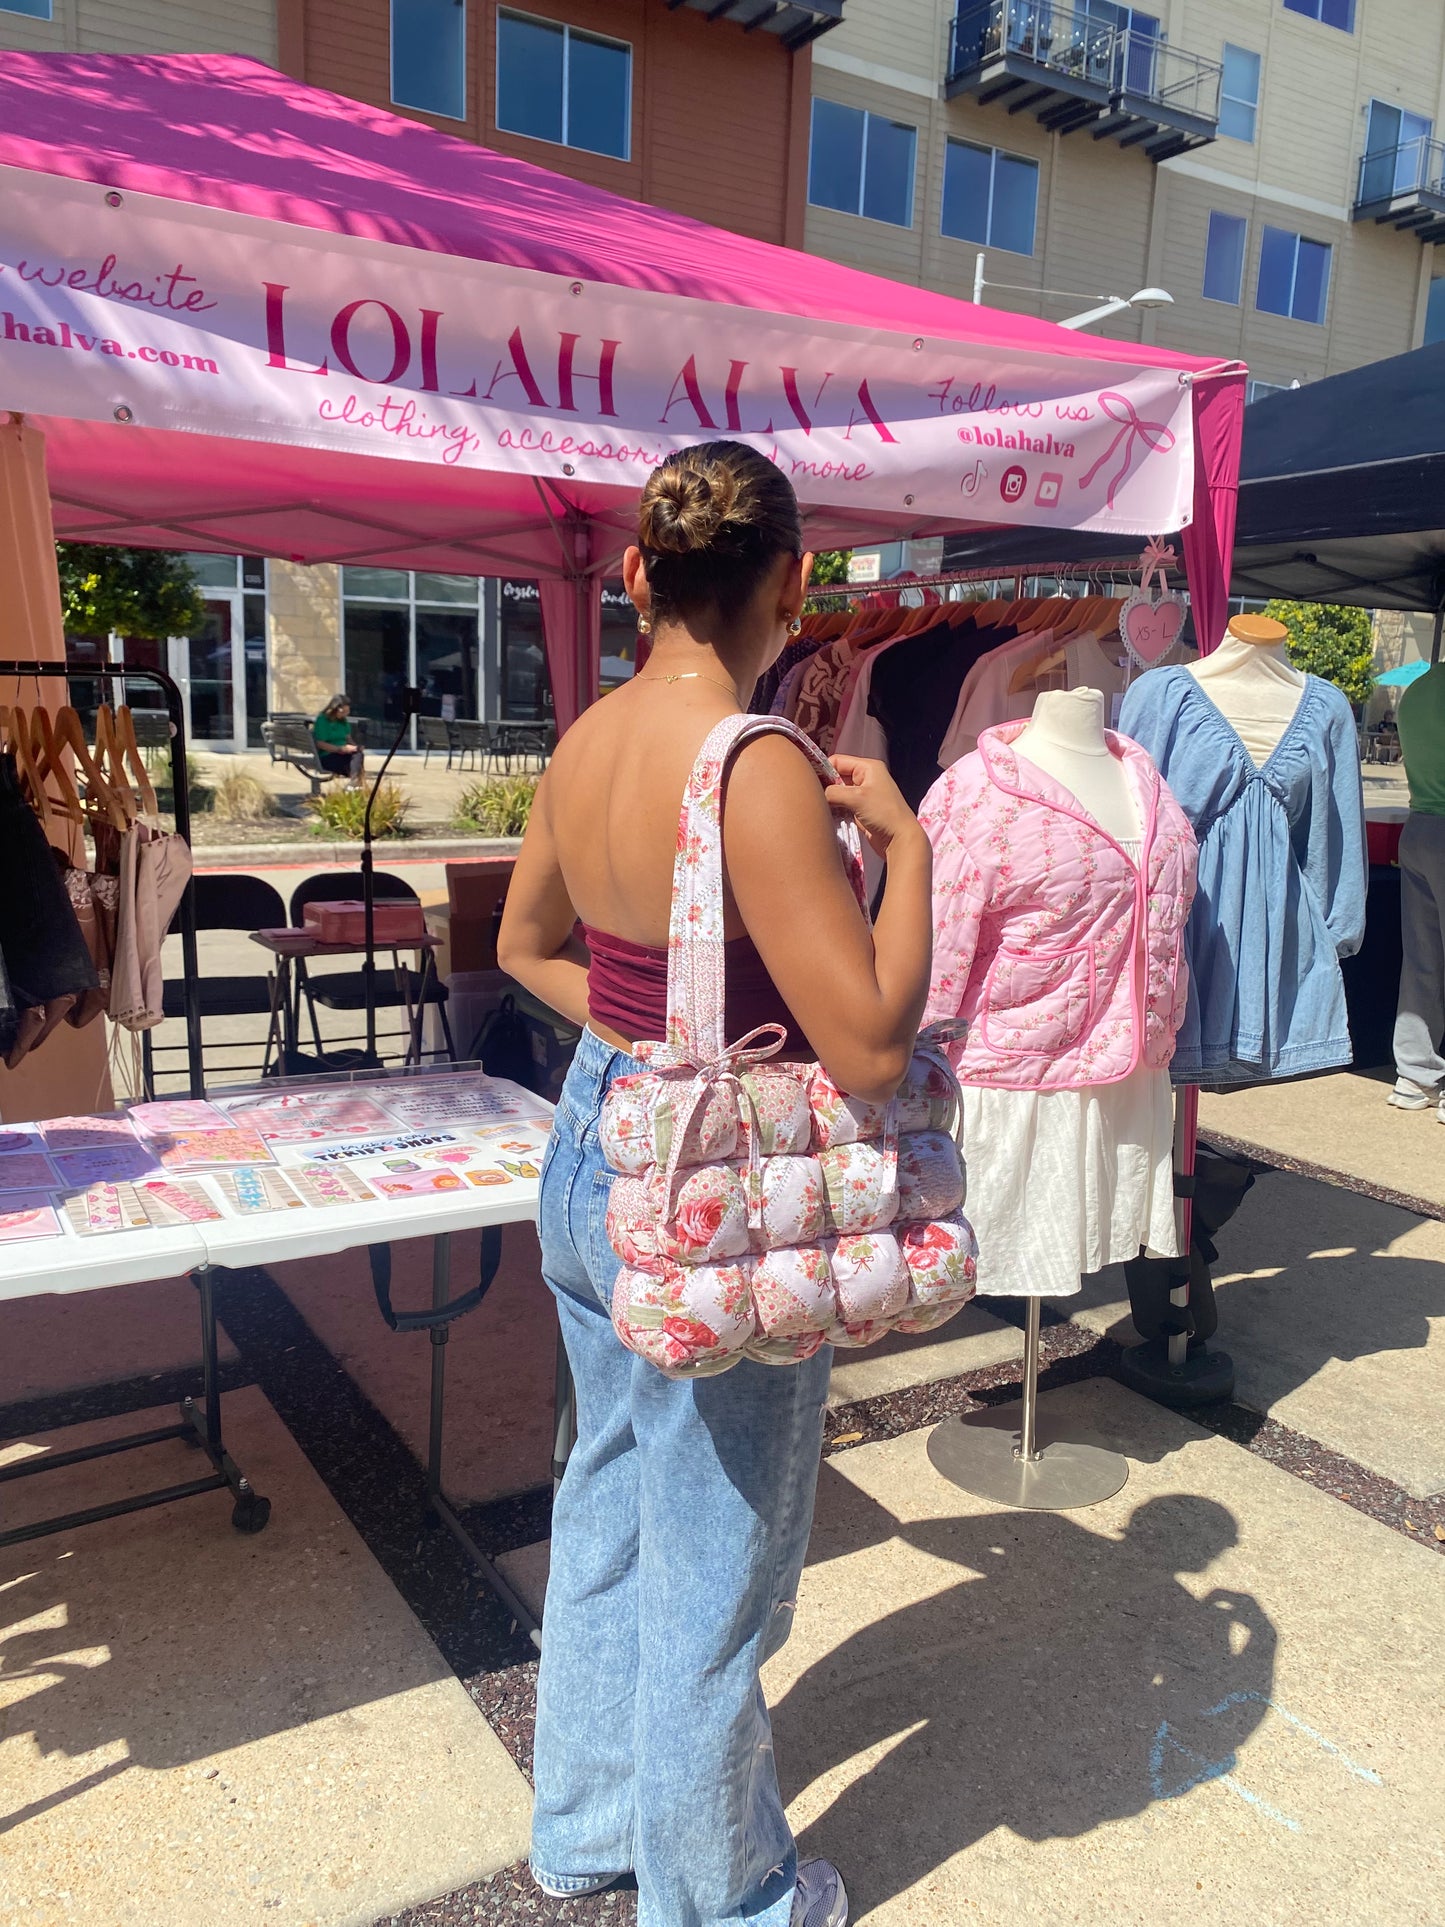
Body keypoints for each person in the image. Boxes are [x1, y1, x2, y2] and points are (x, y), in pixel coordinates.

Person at [497, 440, 934, 1927]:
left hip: (589, 1140)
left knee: (610, 1496)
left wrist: (641, 1050)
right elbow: (869, 1044)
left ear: (633, 575)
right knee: (715, 1559)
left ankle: (586, 1828)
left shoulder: (587, 736)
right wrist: (910, 846)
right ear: (797, 584)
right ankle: (722, 1895)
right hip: (701, 1199)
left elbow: (523, 946)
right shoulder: (754, 766)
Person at [312, 695, 363, 779]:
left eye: (347, 712)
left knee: (358, 755)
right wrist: (339, 749)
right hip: (328, 756)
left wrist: (355, 747)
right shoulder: (323, 720)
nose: (345, 714)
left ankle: (355, 781)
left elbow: (348, 738)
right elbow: (320, 744)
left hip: (343, 754)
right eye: (343, 712)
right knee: (355, 766)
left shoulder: (343, 721)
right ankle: (356, 782)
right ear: (336, 709)